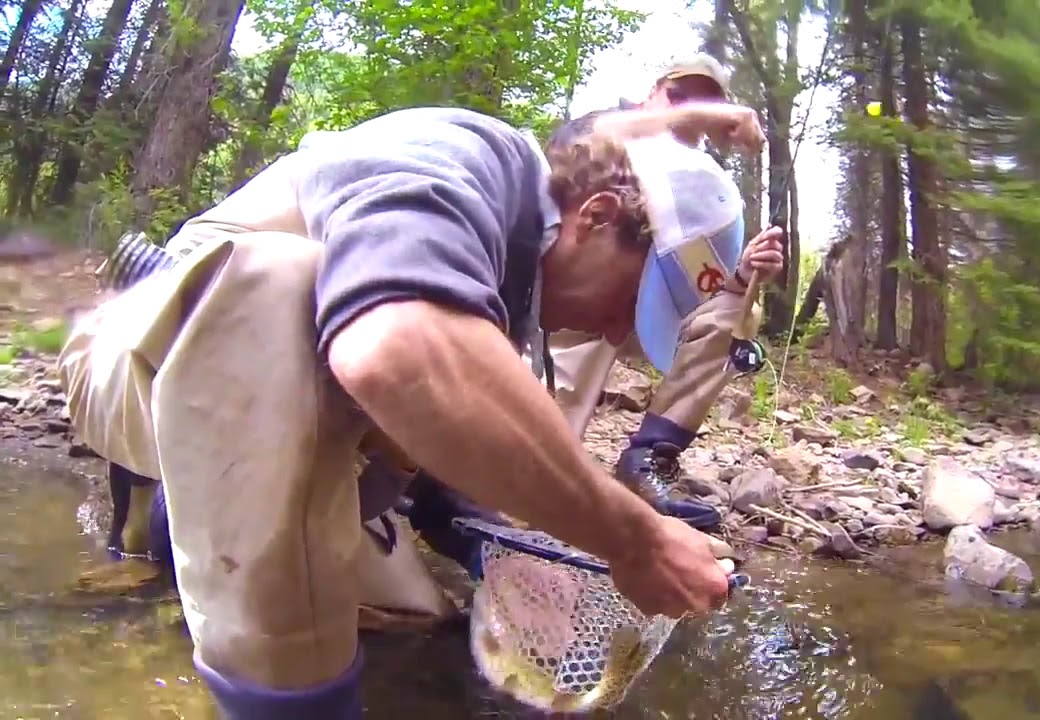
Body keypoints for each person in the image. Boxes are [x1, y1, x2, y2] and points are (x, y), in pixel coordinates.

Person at [59, 100, 774, 719]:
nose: (618, 334)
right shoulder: (463, 157)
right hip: (134, 360)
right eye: (630, 303)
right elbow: (394, 353)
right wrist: (634, 541)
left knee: (416, 615)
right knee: (291, 288)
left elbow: (431, 448)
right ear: (596, 216)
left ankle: (179, 526)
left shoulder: (510, 302)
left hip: (280, 435)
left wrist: (490, 550)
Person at [533, 52, 783, 531]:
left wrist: (743, 274)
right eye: (681, 94)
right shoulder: (611, 129)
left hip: (650, 305)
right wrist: (710, 115)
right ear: (653, 93)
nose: (694, 107)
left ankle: (647, 459)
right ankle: (518, 475)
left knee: (732, 316)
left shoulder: (706, 183)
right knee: (541, 458)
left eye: (708, 100)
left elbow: (703, 290)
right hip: (579, 295)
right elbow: (578, 146)